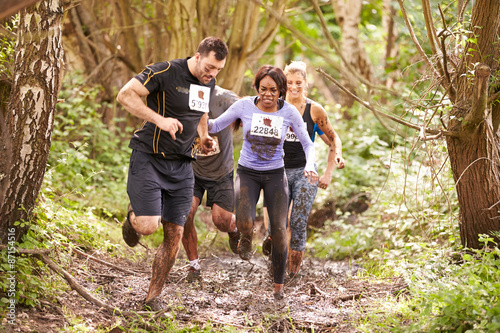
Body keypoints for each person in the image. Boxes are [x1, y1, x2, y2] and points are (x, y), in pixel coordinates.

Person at [116, 37, 228, 311]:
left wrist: (204, 136)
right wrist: (159, 119)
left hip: (182, 166)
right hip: (149, 158)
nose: (212, 74)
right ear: (198, 56)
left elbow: (201, 110)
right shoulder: (164, 71)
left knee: (174, 233)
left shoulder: (207, 82)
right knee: (147, 226)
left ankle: (153, 298)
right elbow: (125, 95)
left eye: (218, 71)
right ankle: (134, 220)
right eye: (210, 67)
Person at [207, 65, 318, 301]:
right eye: (263, 89)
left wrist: (310, 165)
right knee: (245, 222)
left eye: (274, 90)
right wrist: (193, 117)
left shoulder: (288, 112)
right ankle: (245, 236)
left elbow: (308, 143)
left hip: (276, 175)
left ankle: (278, 287)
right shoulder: (244, 105)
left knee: (279, 230)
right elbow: (215, 125)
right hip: (247, 173)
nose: (268, 94)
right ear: (257, 88)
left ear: (281, 91)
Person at [262, 60, 345, 280]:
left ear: (305, 83)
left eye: (298, 82)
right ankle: (275, 261)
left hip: (305, 173)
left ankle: (292, 274)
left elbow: (333, 138)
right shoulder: (275, 106)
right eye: (289, 82)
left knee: (297, 222)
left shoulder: (314, 110)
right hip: (277, 171)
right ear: (283, 84)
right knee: (275, 226)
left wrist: (330, 168)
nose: (294, 87)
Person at [181, 85, 240, 282]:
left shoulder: (224, 98)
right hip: (193, 169)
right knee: (185, 213)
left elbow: (249, 108)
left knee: (221, 221)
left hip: (221, 172)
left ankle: (234, 230)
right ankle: (194, 267)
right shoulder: (182, 94)